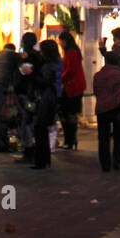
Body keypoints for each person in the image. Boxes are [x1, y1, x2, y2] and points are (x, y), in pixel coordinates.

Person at [92, 59, 120, 172]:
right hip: (117, 107)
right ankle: (117, 161)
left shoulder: (98, 75)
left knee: (103, 138)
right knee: (118, 136)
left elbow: (95, 90)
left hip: (102, 108)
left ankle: (105, 164)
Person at [32, 39, 60, 168]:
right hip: (53, 98)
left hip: (46, 98)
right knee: (43, 128)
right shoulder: (58, 63)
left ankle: (41, 160)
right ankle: (45, 158)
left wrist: (32, 75)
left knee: (40, 128)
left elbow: (45, 81)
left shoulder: (49, 65)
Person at [58, 29, 86, 150]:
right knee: (71, 113)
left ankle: (69, 139)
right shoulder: (74, 52)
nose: (60, 44)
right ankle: (71, 139)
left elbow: (70, 70)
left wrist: (60, 79)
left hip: (72, 87)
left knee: (68, 113)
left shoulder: (71, 53)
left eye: (61, 42)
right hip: (75, 86)